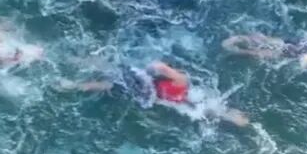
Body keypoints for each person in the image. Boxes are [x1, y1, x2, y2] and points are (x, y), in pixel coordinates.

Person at [59, 59, 249, 124]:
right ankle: (75, 80)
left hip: (146, 88)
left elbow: (159, 67)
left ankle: (76, 74)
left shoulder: (184, 91)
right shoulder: (185, 94)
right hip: (146, 90)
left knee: (111, 76)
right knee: (111, 82)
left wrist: (150, 69)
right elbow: (160, 69)